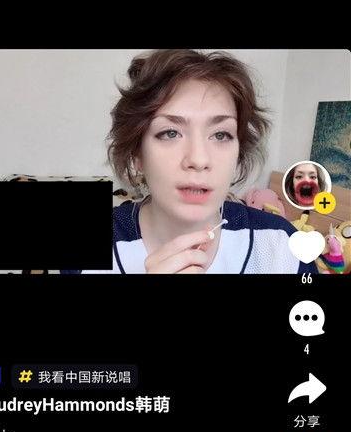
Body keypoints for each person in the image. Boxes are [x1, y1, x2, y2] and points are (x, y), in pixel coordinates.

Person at [86, 49, 318, 274]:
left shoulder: (282, 244)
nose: (198, 160)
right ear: (137, 154)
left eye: (221, 135)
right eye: (170, 133)